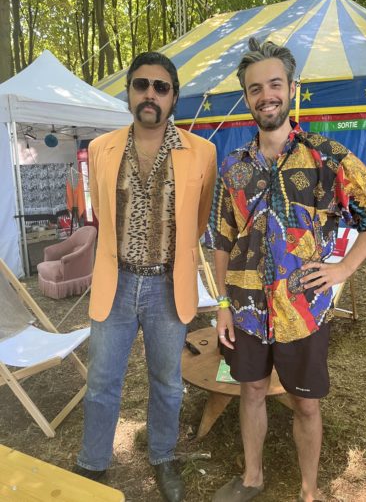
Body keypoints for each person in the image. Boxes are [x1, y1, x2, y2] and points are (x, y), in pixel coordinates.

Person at [212, 38, 366, 502]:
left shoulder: (326, 156)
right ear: (246, 97)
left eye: (274, 84)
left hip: (304, 308)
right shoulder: (233, 168)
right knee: (251, 391)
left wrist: (343, 269)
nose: (266, 96)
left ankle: (309, 491)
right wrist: (222, 304)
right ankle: (252, 478)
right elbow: (222, 240)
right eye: (255, 88)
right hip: (246, 307)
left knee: (306, 403)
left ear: (291, 89)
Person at [73, 51, 216, 502]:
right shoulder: (101, 149)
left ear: (174, 97)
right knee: (101, 382)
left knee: (168, 383)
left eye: (161, 87)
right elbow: (101, 212)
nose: (150, 94)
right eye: (141, 85)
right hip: (114, 283)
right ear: (129, 92)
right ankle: (93, 462)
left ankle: (162, 455)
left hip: (167, 287)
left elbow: (198, 219)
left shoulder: (202, 152)